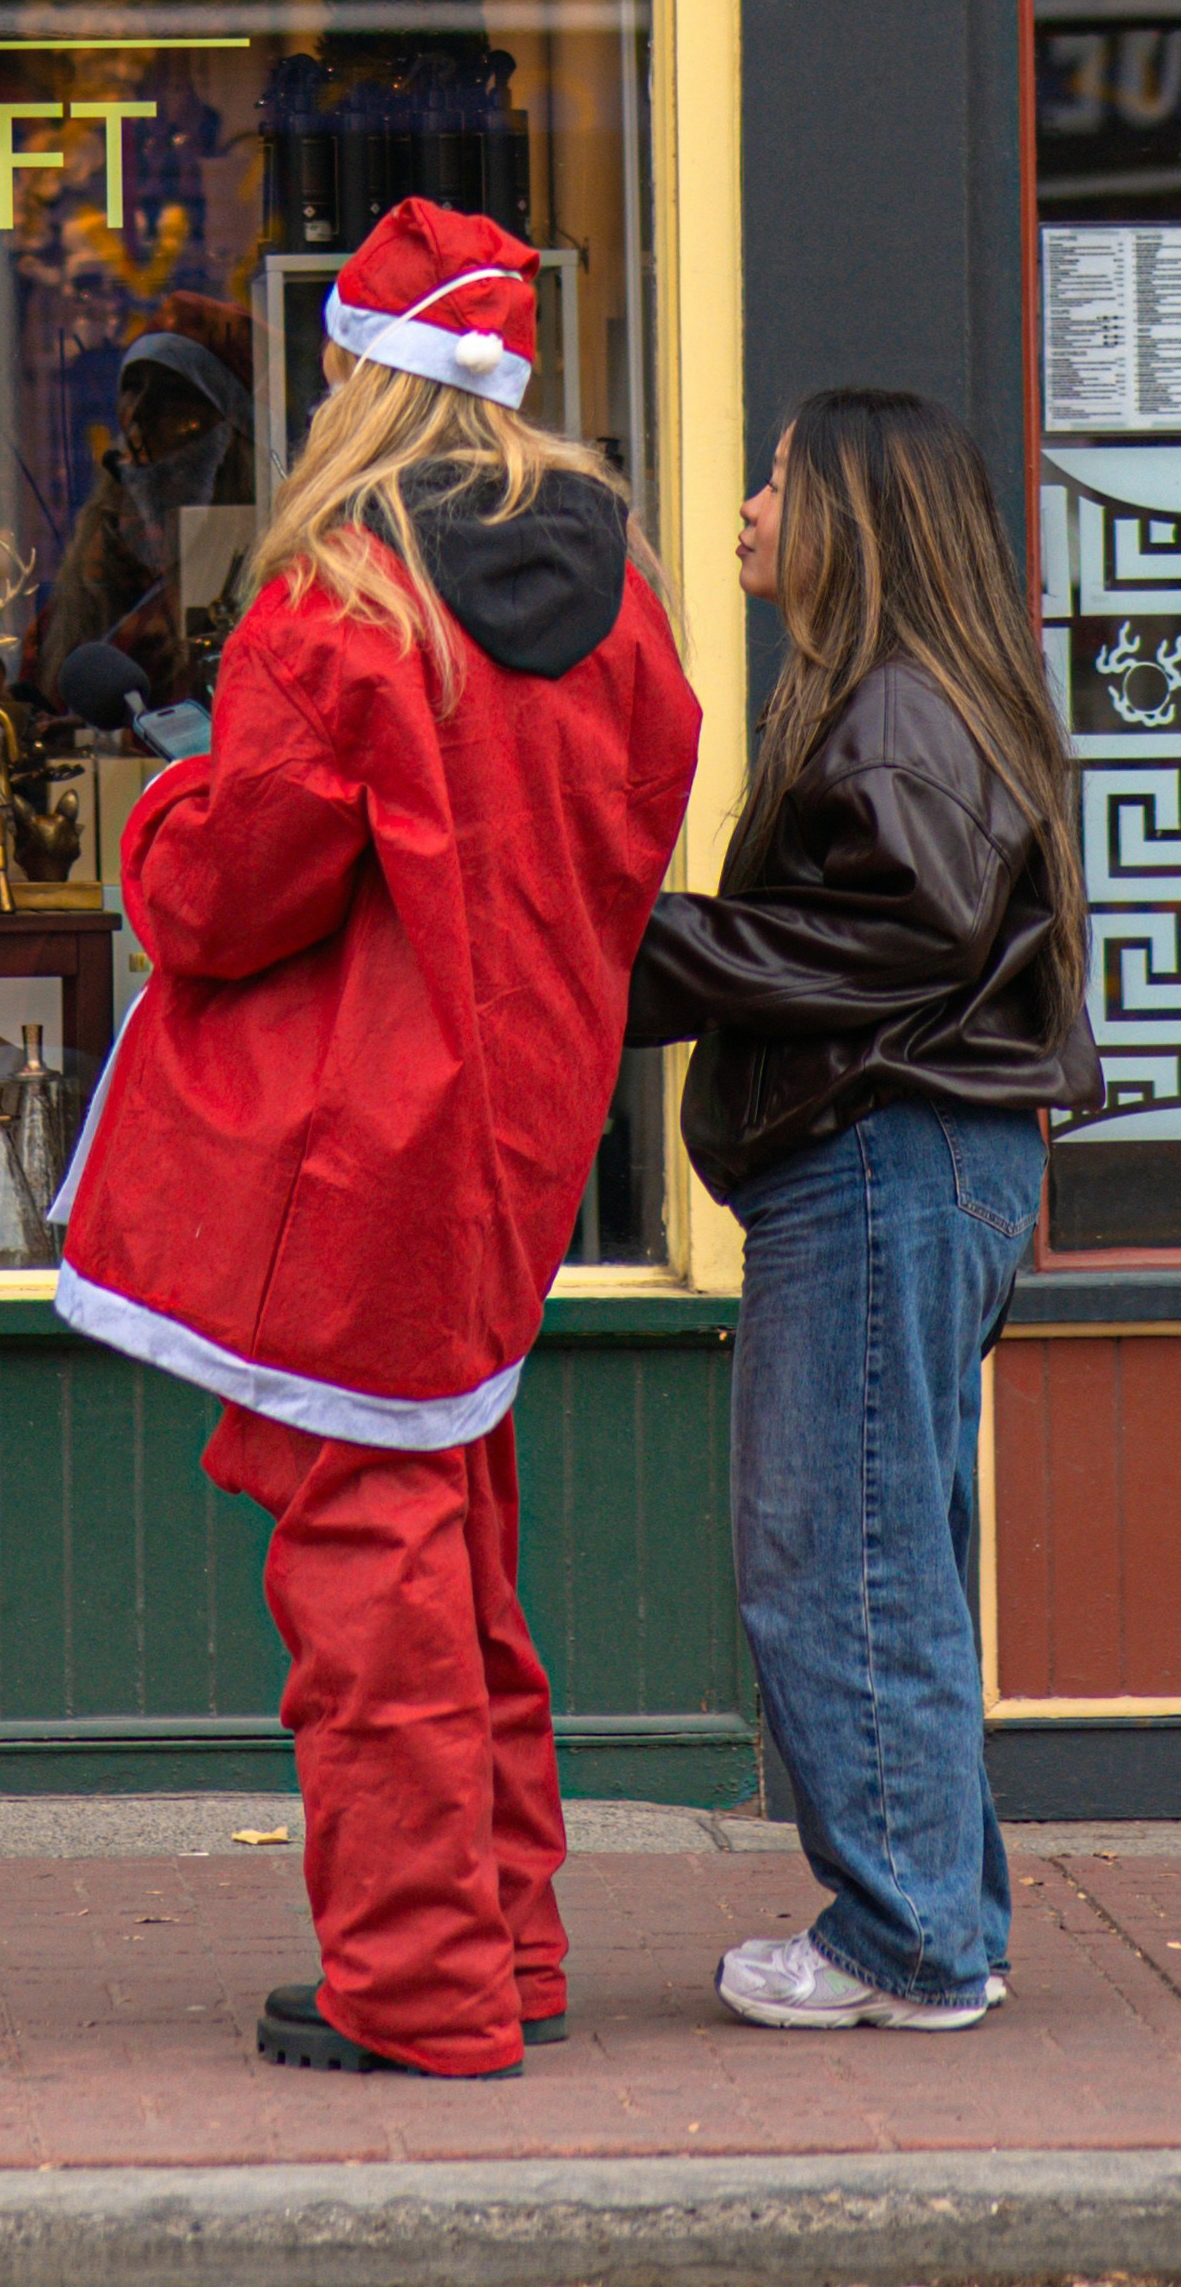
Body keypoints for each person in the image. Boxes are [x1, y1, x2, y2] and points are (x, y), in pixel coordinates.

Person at [55, 204, 701, 2079]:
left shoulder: (345, 593)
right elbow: (634, 832)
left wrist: (164, 801)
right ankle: (503, 1932)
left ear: (364, 376)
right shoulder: (622, 593)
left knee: (370, 1573)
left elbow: (227, 892)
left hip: (358, 1149)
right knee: (456, 1541)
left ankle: (416, 1983)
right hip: (518, 1133)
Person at [626, 381, 1100, 2039]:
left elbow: (892, 942)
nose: (748, 504)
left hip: (883, 1150)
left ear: (849, 514)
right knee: (884, 1544)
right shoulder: (919, 696)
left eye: (772, 478)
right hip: (919, 1150)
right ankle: (935, 1910)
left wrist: (641, 951)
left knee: (839, 1547)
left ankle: (905, 1937)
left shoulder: (895, 708)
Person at [33, 324, 253, 739]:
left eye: (171, 394)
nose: (142, 410)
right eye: (134, 389)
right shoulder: (99, 550)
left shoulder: (250, 560)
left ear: (224, 429)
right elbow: (43, 693)